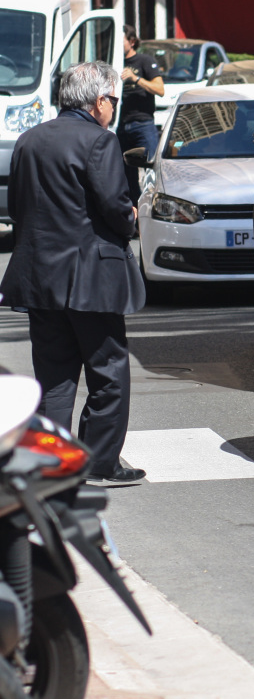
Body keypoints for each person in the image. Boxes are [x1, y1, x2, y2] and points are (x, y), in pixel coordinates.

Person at [0, 61, 146, 483]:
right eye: (113, 101)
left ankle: (51, 465)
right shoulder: (100, 142)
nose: (114, 109)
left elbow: (17, 209)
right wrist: (130, 216)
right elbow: (116, 208)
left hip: (40, 278)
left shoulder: (28, 141)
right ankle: (99, 462)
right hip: (91, 279)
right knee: (109, 374)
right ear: (99, 101)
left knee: (54, 378)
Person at [118, 25, 164, 206]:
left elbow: (160, 89)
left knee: (151, 168)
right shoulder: (115, 62)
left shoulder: (144, 61)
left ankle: (155, 207)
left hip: (142, 123)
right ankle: (134, 215)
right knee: (124, 173)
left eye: (121, 41)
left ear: (132, 41)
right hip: (121, 125)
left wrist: (136, 79)